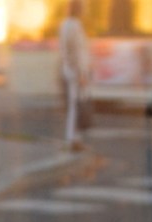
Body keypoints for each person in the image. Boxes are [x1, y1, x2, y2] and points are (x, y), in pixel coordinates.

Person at [59, 0, 91, 150]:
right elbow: (78, 51)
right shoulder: (75, 26)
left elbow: (66, 50)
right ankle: (72, 138)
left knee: (73, 104)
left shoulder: (64, 25)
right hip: (76, 71)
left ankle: (74, 137)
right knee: (76, 105)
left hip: (68, 69)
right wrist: (81, 73)